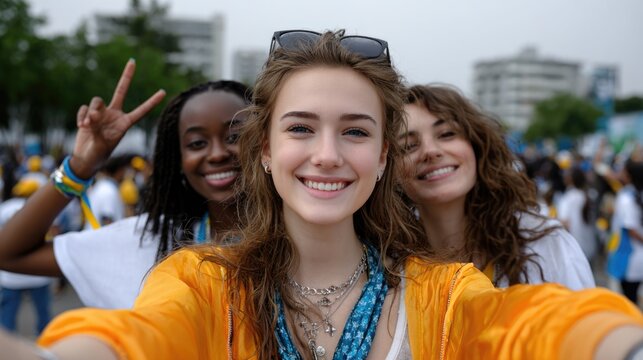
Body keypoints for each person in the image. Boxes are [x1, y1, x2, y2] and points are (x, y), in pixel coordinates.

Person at [2, 29, 641, 359]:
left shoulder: (442, 291)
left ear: (384, 155)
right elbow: (138, 337)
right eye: (301, 128)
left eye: (355, 131)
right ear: (266, 151)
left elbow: (539, 325)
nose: (328, 155)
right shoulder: (200, 282)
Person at [0, 59, 252, 309]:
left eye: (235, 136)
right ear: (178, 160)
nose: (217, 153)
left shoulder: (291, 237)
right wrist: (78, 168)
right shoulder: (149, 242)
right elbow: (9, 254)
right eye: (197, 143)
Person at [399, 84, 594, 289]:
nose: (430, 151)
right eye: (408, 146)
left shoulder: (546, 245)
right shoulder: (388, 272)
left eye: (447, 134)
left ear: (476, 145)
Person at [0, 179, 53, 334]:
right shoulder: (43, 208)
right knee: (43, 317)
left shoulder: (4, 208)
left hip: (11, 275)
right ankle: (46, 351)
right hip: (38, 272)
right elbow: (53, 235)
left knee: (7, 320)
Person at [607, 158, 643, 305]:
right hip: (636, 256)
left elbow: (631, 229)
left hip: (629, 256)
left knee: (630, 300)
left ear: (628, 175)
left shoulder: (625, 198)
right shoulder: (635, 193)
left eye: (622, 171)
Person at [558, 166, 598, 263]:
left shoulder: (568, 198)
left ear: (570, 179)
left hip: (575, 250)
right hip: (590, 247)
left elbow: (564, 223)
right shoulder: (590, 194)